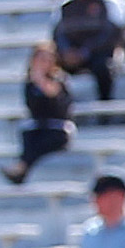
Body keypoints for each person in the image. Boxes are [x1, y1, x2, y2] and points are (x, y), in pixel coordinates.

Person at [52, 0, 125, 102]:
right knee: (45, 65)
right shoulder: (64, 3)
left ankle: (105, 106)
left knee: (103, 67)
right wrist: (67, 51)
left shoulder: (109, 0)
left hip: (99, 53)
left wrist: (85, 51)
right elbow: (58, 33)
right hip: (71, 54)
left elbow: (113, 33)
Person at [11, 39, 77, 182]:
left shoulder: (60, 79)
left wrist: (40, 79)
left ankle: (22, 168)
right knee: (28, 135)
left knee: (42, 141)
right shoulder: (30, 84)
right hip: (39, 127)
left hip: (58, 128)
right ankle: (22, 168)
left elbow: (55, 97)